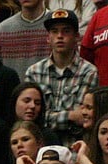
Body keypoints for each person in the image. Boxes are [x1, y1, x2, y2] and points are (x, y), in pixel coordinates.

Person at [24, 9, 98, 146]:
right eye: (54, 31)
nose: (59, 36)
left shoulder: (89, 72)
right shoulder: (34, 72)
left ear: (77, 36)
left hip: (75, 150)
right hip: (39, 152)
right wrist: (70, 116)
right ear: (48, 38)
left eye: (66, 31)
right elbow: (30, 119)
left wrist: (48, 117)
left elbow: (84, 119)